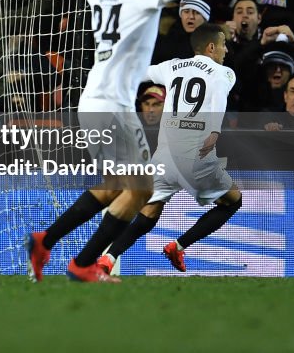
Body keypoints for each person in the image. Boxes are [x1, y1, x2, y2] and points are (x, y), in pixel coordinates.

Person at [26, 0, 225, 283]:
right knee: (141, 189)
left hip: (93, 99)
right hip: (114, 105)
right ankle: (81, 262)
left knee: (116, 186)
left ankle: (47, 242)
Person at [97, 24, 242, 275]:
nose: (226, 50)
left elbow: (138, 73)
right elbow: (219, 99)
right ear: (211, 47)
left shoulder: (172, 66)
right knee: (232, 202)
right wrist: (214, 132)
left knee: (149, 212)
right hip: (196, 156)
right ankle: (178, 246)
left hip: (164, 157)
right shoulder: (224, 72)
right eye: (223, 45)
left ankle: (108, 257)